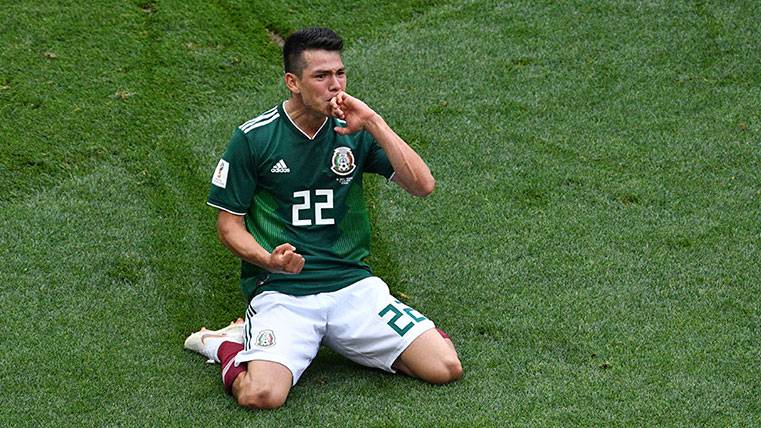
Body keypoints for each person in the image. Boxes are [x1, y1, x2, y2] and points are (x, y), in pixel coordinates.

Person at [184, 27, 462, 409]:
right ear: (292, 82)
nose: (335, 85)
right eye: (321, 76)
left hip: (352, 287)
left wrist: (375, 123)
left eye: (340, 74)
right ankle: (228, 343)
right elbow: (228, 227)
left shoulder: (355, 129)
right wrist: (268, 260)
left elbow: (423, 185)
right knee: (261, 395)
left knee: (445, 367)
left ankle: (332, 337)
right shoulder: (255, 139)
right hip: (284, 291)